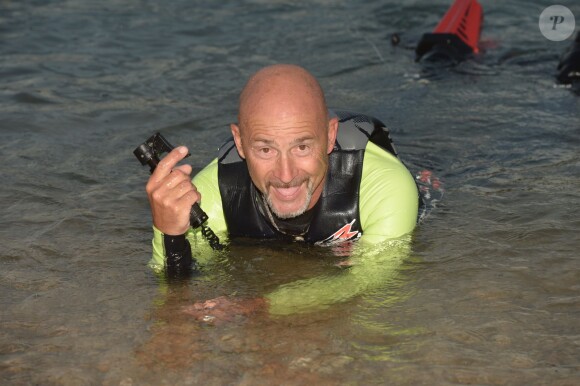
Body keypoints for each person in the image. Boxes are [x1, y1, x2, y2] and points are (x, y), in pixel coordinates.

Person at [145, 64, 420, 315]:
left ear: (330, 136)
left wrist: (262, 305)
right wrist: (168, 233)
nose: (286, 175)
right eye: (265, 149)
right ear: (240, 143)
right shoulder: (215, 190)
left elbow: (368, 278)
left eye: (302, 147)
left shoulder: (386, 186)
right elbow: (175, 293)